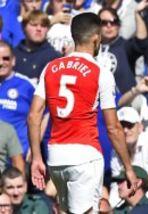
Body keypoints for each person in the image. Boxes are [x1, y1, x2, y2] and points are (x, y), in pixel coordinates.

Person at [27, 12, 141, 214]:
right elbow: (113, 127)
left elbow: (34, 115)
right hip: (85, 155)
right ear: (97, 38)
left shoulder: (51, 67)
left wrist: (37, 157)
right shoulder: (101, 73)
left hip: (55, 155)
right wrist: (128, 168)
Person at [109, 107, 148, 207]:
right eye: (121, 126)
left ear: (140, 127)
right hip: (129, 198)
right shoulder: (115, 151)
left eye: (130, 125)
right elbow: (117, 183)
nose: (125, 130)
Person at [0, 41, 35, 157]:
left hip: (18, 155)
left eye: (6, 59)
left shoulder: (26, 85)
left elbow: (44, 113)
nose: (1, 63)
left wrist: (33, 147)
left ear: (13, 60)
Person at [14, 10, 61, 84]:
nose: (39, 29)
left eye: (43, 26)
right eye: (34, 25)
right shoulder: (12, 54)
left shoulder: (54, 58)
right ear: (23, 27)